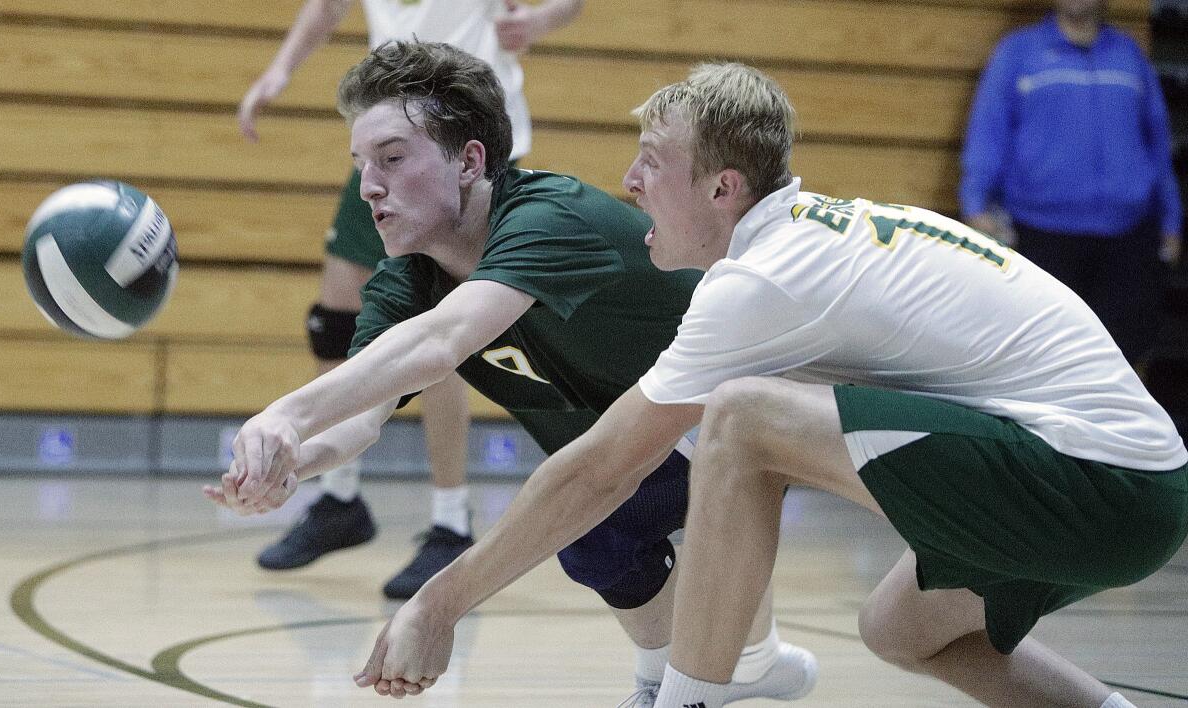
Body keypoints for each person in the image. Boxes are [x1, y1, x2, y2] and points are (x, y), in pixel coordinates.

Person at [336, 62, 1188, 707]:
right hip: (1120, 485)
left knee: (743, 419)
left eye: (652, 163)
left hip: (1098, 479)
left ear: (722, 187)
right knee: (900, 631)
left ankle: (693, 698)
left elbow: (603, 468)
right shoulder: (810, 241)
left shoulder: (758, 280)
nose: (630, 184)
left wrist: (440, 605)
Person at [206, 41, 817, 704]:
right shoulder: (407, 281)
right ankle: (733, 666)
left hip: (745, 421)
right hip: (644, 449)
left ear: (470, 161)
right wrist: (295, 460)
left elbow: (444, 340)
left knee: (587, 518)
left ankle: (693, 680)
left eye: (392, 158)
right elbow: (362, 416)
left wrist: (283, 416)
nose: (368, 186)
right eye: (359, 164)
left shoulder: (547, 216)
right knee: (595, 532)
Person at [235, 0, 584, 598]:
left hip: (454, 152)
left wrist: (541, 20)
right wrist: (281, 69)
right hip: (389, 141)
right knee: (334, 320)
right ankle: (339, 498)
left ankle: (450, 519)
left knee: (435, 330)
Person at [960, 0, 1182, 367]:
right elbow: (988, 131)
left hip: (1127, 240)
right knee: (1042, 362)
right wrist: (975, 205)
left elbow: (1157, 143)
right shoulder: (1018, 52)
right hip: (1041, 237)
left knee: (1124, 363)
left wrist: (1171, 221)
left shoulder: (1129, 56)